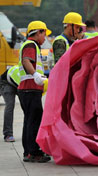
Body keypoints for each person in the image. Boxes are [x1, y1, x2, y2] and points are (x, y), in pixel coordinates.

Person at [18, 20, 51, 163]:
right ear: (38, 32)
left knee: (29, 121)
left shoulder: (30, 45)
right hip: (30, 89)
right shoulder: (31, 45)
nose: (45, 38)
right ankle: (34, 152)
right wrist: (35, 75)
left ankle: (28, 152)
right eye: (44, 34)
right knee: (34, 121)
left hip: (27, 89)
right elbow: (26, 61)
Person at [0, 65, 20, 142]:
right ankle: (8, 134)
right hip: (5, 82)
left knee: (27, 106)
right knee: (10, 105)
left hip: (15, 82)